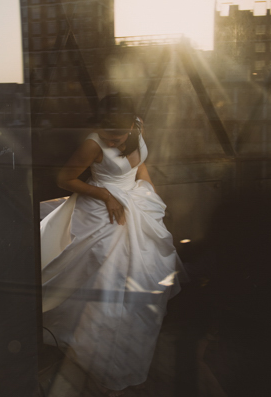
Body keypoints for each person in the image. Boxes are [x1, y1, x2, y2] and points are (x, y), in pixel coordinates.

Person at [39, 94, 184, 396]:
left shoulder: (138, 128)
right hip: (103, 208)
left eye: (119, 136)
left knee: (144, 278)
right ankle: (96, 350)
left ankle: (131, 340)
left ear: (132, 125)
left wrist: (150, 197)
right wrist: (106, 196)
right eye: (108, 136)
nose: (113, 142)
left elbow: (141, 166)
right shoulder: (92, 144)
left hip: (137, 204)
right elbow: (65, 179)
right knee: (108, 278)